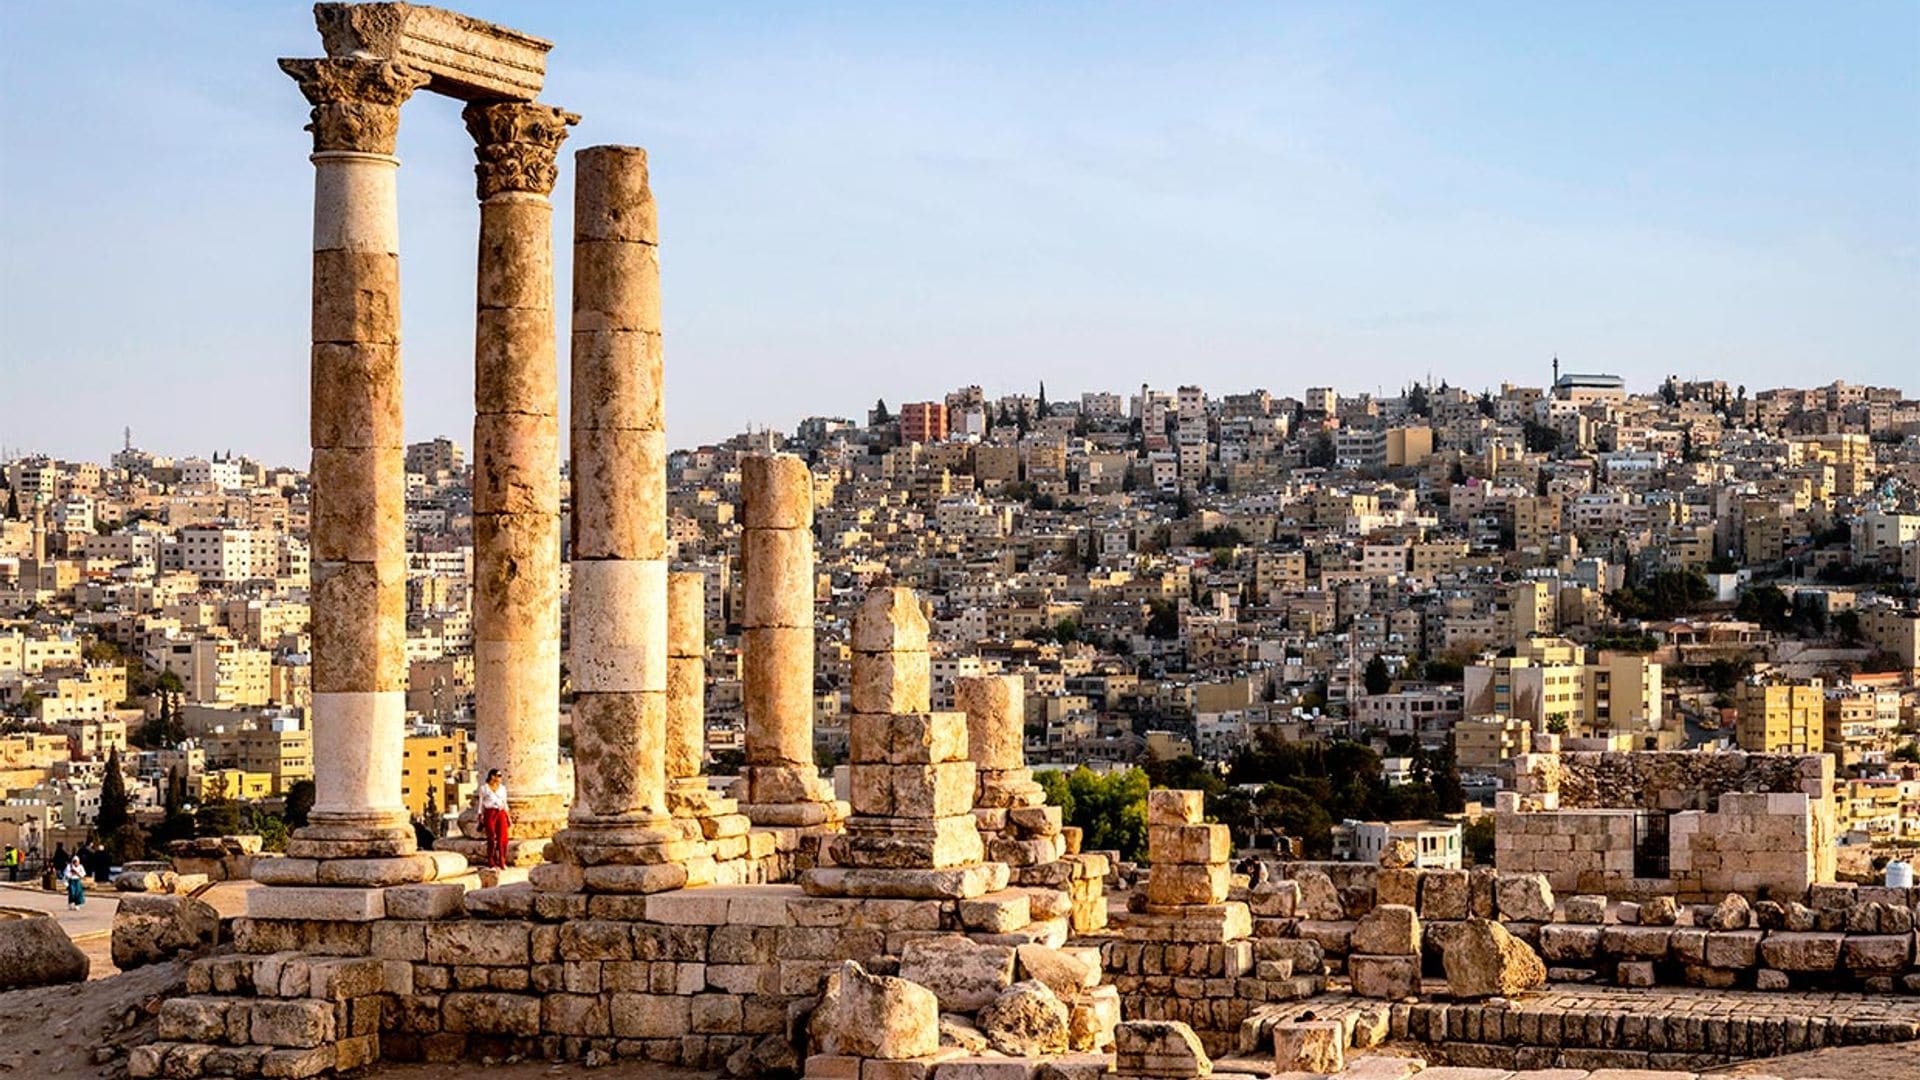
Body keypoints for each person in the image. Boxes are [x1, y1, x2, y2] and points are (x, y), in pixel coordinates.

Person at [478, 769, 511, 871]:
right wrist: (480, 815)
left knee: (503, 838)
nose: (500, 778)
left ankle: (502, 861)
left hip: (500, 812)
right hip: (489, 812)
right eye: (498, 775)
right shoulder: (484, 789)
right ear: (492, 776)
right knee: (491, 838)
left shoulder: (502, 788)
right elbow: (481, 803)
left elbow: (505, 802)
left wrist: (508, 816)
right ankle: (491, 861)